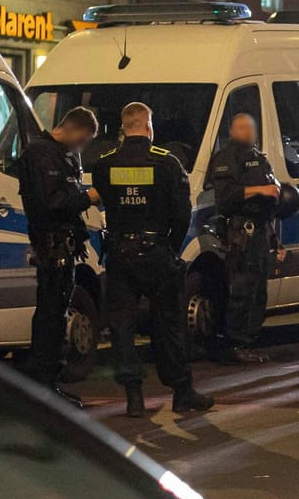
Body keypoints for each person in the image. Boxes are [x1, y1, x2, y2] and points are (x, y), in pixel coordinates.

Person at [90, 103, 215, 418]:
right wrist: (169, 247)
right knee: (169, 324)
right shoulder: (168, 163)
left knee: (122, 327)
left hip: (120, 253)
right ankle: (181, 391)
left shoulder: (105, 165)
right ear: (148, 126)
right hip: (158, 252)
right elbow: (182, 214)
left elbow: (104, 201)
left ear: (123, 127)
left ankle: (134, 397)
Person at [16, 106, 99, 404]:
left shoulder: (58, 155)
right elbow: (51, 203)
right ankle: (44, 388)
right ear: (75, 130)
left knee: (55, 316)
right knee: (50, 317)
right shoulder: (43, 154)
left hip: (61, 247)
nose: (82, 147)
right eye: (84, 140)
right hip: (51, 248)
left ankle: (50, 384)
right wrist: (87, 197)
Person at [206, 114, 281, 365]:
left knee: (258, 290)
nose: (247, 132)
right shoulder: (226, 158)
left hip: (260, 230)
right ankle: (235, 343)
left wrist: (273, 238)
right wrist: (259, 190)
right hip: (240, 232)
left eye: (250, 128)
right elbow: (226, 197)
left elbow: (272, 193)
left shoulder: (259, 158)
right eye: (241, 127)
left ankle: (249, 341)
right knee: (241, 288)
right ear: (232, 130)